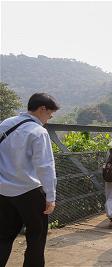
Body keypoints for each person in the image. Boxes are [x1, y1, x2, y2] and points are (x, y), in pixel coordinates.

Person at [0, 93, 59, 267]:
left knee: (3, 236)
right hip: (30, 192)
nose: (48, 119)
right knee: (36, 238)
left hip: (3, 191)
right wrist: (50, 197)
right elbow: (45, 167)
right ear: (42, 109)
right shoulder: (38, 132)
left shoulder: (5, 124)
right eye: (49, 114)